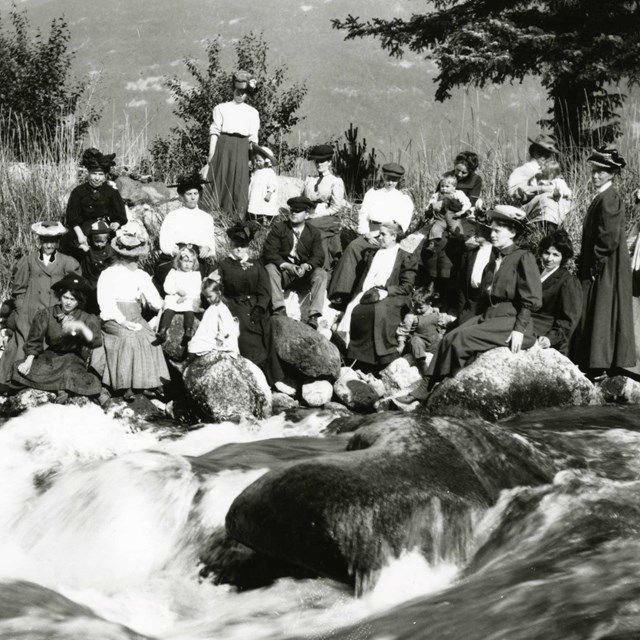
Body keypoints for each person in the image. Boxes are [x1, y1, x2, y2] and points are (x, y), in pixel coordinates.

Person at [403, 205, 542, 400]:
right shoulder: (495, 260)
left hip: (513, 320)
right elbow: (485, 298)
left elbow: (531, 299)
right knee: (450, 337)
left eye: (497, 231)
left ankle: (437, 388)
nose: (492, 235)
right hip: (491, 316)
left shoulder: (523, 258)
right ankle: (428, 384)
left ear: (512, 233)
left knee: (462, 339)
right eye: (491, 230)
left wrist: (519, 329)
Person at [571, 146, 635, 375]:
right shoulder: (604, 196)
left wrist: (595, 266)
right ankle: (596, 361)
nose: (596, 175)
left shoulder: (609, 199)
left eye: (602, 171)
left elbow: (607, 238)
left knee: (603, 308)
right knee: (600, 309)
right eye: (595, 170)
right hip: (602, 263)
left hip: (606, 265)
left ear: (613, 173)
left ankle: (600, 363)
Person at [0, 221, 81, 388]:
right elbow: (19, 289)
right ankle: (11, 380)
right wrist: (22, 308)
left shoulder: (67, 262)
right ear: (40, 241)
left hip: (54, 311)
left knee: (51, 344)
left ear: (58, 242)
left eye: (53, 241)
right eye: (45, 241)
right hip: (31, 310)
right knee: (23, 341)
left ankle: (41, 379)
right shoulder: (28, 261)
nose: (49, 245)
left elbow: (74, 290)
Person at [95, 222, 169, 400]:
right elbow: (105, 304)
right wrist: (122, 321)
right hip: (114, 316)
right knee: (127, 337)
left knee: (149, 336)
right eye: (130, 257)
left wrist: (168, 302)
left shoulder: (142, 275)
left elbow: (154, 301)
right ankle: (125, 384)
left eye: (136, 257)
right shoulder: (109, 274)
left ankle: (148, 383)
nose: (134, 260)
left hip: (135, 315)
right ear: (121, 256)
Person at [13, 274, 106, 405]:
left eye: (72, 299)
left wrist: (81, 327)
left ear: (79, 301)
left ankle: (63, 388)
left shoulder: (86, 318)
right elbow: (35, 340)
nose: (68, 302)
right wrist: (28, 361)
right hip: (50, 357)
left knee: (72, 375)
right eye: (65, 298)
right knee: (20, 369)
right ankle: (61, 388)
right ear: (60, 296)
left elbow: (95, 341)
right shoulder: (46, 314)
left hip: (74, 358)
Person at [336, 221, 418, 368]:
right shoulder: (374, 254)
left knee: (377, 310)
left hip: (395, 295)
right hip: (370, 292)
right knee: (354, 309)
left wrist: (387, 291)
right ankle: (354, 357)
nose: (379, 237)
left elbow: (407, 286)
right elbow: (364, 281)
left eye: (383, 234)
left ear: (394, 236)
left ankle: (382, 357)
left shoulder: (405, 257)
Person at [329, 163, 414, 304]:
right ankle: (341, 293)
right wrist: (366, 233)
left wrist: (379, 233)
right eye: (387, 178)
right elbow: (363, 215)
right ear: (383, 176)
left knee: (375, 255)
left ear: (399, 181)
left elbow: (401, 225)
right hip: (369, 232)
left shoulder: (403, 199)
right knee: (354, 247)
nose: (390, 182)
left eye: (394, 180)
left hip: (388, 235)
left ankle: (360, 295)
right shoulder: (372, 193)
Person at [214, 222, 285, 386]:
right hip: (233, 306)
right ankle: (255, 376)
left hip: (255, 305)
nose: (239, 249)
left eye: (242, 246)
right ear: (230, 245)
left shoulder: (257, 265)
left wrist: (260, 307)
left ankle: (275, 378)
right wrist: (224, 305)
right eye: (235, 246)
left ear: (247, 247)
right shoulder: (223, 265)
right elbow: (215, 288)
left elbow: (265, 290)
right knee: (245, 332)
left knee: (268, 330)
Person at [262, 196, 327, 329]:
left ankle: (314, 316)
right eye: (292, 210)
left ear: (307, 214)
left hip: (304, 275)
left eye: (298, 211)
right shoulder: (279, 228)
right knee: (269, 268)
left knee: (321, 273)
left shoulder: (313, 232)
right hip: (284, 273)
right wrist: (286, 265)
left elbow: (319, 256)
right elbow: (269, 252)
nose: (293, 213)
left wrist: (306, 265)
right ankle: (279, 309)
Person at [205, 70, 259, 217]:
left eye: (244, 91)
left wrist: (252, 158)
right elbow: (215, 131)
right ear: (233, 89)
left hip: (242, 147)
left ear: (248, 93)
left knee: (239, 180)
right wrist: (212, 153)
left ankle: (235, 218)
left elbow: (253, 138)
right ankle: (215, 215)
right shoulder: (221, 108)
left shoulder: (252, 112)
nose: (240, 94)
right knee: (220, 177)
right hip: (224, 145)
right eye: (238, 90)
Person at [157, 174, 216, 290]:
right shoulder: (172, 216)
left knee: (199, 281)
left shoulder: (206, 217)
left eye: (195, 194)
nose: (193, 197)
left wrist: (207, 248)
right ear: (182, 197)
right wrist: (176, 252)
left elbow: (210, 241)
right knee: (172, 279)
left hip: (197, 258)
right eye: (189, 194)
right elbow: (164, 241)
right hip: (176, 256)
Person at [65, 149, 127, 252]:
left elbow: (120, 215)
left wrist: (117, 223)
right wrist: (80, 236)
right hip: (84, 233)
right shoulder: (78, 192)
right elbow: (72, 218)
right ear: (88, 173)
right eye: (94, 173)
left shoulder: (112, 192)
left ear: (105, 175)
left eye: (100, 174)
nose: (97, 178)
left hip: (106, 233)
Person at [532, 230, 582, 356]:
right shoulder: (534, 272)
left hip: (545, 335)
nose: (549, 259)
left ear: (563, 258)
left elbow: (569, 319)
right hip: (526, 325)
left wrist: (550, 338)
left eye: (555, 255)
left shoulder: (567, 281)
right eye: (547, 253)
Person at [302, 144, 346, 269]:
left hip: (328, 216)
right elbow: (303, 200)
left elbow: (336, 207)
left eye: (322, 161)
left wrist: (317, 215)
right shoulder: (309, 179)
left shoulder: (335, 181)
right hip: (309, 213)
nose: (319, 164)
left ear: (329, 162)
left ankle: (322, 270)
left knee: (312, 230)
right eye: (317, 161)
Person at [396, 284, 454, 375]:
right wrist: (401, 344)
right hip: (420, 342)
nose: (418, 310)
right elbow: (403, 331)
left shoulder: (435, 312)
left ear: (429, 304)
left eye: (421, 307)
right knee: (414, 341)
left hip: (433, 341)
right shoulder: (411, 316)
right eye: (415, 306)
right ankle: (422, 363)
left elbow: (443, 319)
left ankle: (444, 367)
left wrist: (452, 319)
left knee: (445, 341)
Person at [156, 246, 202, 347]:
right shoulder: (173, 273)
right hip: (175, 296)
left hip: (189, 298)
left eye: (190, 262)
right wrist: (176, 291)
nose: (187, 264)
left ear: (194, 263)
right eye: (184, 261)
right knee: (169, 307)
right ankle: (163, 330)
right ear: (179, 261)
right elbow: (167, 286)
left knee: (189, 309)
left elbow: (196, 290)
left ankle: (188, 330)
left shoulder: (195, 275)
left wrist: (186, 297)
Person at [453, 215, 494, 323]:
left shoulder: (496, 254)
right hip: (470, 299)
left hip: (486, 301)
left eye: (479, 230)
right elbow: (461, 281)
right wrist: (461, 308)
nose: (475, 232)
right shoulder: (470, 253)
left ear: (488, 233)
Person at [188, 278, 239, 357]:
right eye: (206, 297)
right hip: (212, 334)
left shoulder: (221, 308)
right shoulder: (213, 307)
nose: (208, 299)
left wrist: (220, 337)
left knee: (198, 342)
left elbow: (226, 325)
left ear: (218, 293)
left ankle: (186, 362)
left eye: (210, 296)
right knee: (196, 340)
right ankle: (187, 362)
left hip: (221, 338)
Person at [78, 219, 116, 313]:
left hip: (103, 284)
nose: (99, 244)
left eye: (102, 242)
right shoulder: (87, 249)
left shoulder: (110, 251)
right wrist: (82, 248)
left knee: (102, 308)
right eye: (96, 241)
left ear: (107, 239)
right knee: (86, 307)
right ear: (91, 239)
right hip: (89, 283)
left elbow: (108, 267)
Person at [248, 144, 279, 223]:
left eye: (260, 161)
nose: (258, 163)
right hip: (256, 195)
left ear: (266, 161)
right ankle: (256, 222)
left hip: (263, 196)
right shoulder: (257, 171)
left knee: (264, 209)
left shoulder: (269, 172)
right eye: (256, 160)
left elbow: (272, 184)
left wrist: (269, 193)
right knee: (256, 209)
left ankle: (266, 223)